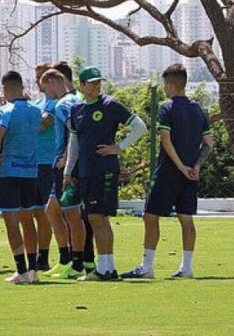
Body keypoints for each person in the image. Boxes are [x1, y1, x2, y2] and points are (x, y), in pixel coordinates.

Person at [123, 64, 213, 279]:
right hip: (191, 173)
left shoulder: (167, 108)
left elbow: (166, 140)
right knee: (186, 218)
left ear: (170, 84)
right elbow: (208, 143)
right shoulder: (199, 109)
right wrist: (196, 166)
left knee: (150, 216)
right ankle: (187, 267)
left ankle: (147, 267)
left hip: (169, 172)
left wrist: (180, 166)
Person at [63, 65, 147, 281]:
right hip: (85, 172)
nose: (96, 86)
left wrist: (119, 147)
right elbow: (74, 143)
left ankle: (104, 268)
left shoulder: (110, 105)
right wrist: (68, 171)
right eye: (92, 83)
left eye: (99, 82)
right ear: (82, 85)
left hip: (104, 170)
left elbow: (140, 126)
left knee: (96, 217)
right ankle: (108, 268)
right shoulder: (77, 110)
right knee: (98, 218)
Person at [0, 70, 43, 284]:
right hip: (30, 172)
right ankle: (33, 270)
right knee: (28, 220)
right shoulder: (35, 111)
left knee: (12, 222)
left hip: (10, 171)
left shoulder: (5, 111)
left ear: (5, 89)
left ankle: (21, 271)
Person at [40, 65, 86, 278]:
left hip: (66, 166)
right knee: (52, 210)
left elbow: (75, 131)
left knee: (72, 214)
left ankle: (76, 263)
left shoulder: (62, 104)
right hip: (66, 164)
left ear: (52, 82)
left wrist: (67, 159)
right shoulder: (77, 99)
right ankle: (66, 259)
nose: (45, 93)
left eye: (44, 87)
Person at [31, 63, 59, 271]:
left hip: (49, 163)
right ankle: (41, 256)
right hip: (34, 163)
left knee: (50, 212)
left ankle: (55, 256)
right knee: (37, 212)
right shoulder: (38, 103)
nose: (38, 81)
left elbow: (42, 124)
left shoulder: (55, 104)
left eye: (41, 77)